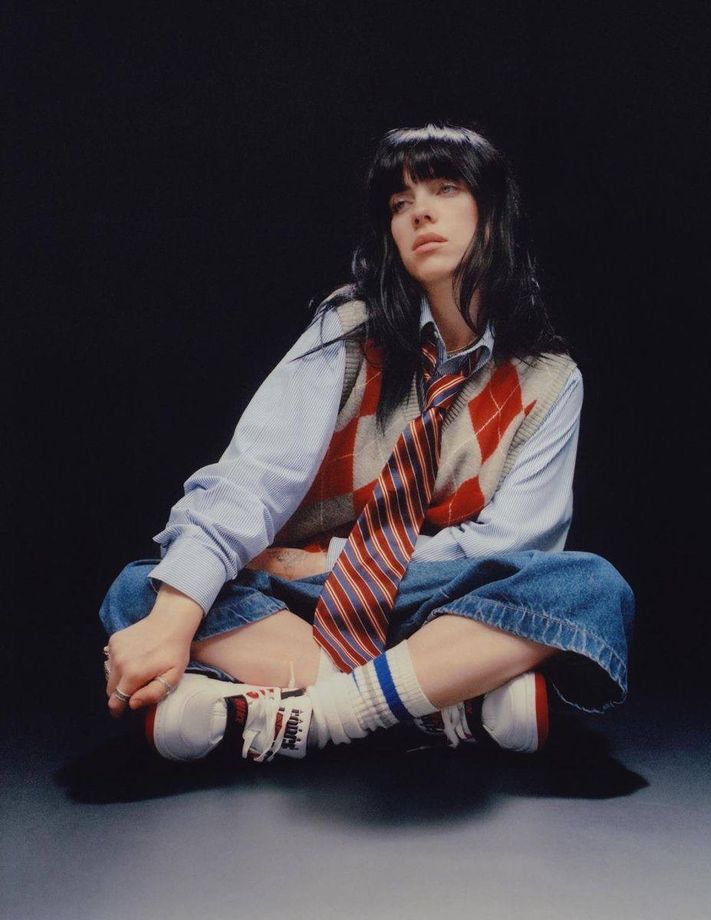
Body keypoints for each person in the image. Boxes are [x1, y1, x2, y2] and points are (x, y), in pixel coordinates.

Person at [99, 122, 634, 764]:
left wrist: (332, 562)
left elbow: (511, 544)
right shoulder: (349, 331)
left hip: (433, 595)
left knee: (587, 586)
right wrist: (171, 620)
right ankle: (445, 697)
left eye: (444, 189)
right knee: (143, 590)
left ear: (493, 214)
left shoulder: (550, 381)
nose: (420, 215)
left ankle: (312, 714)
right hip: (300, 600)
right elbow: (254, 478)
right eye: (400, 205)